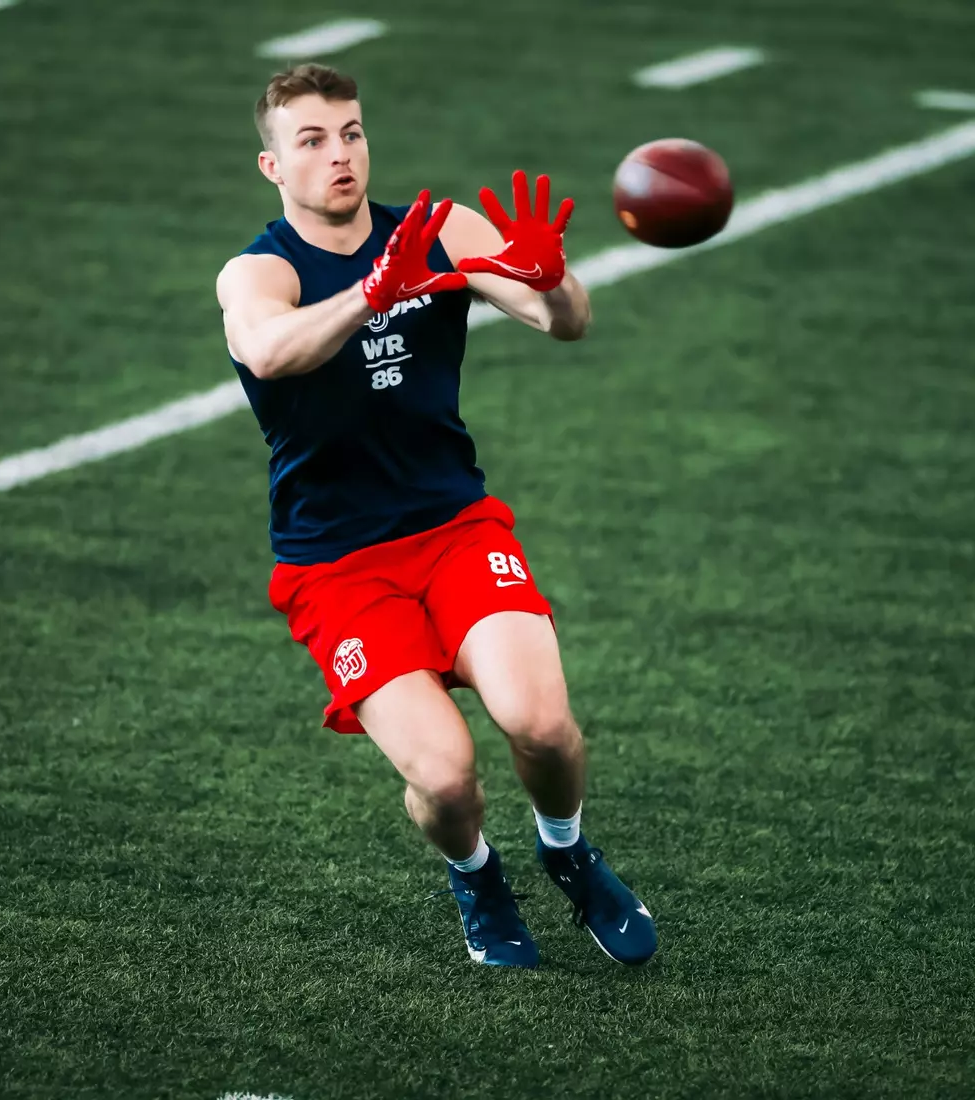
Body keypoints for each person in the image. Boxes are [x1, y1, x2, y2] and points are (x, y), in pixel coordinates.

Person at [215, 63, 656, 969]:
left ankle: (568, 853)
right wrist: (373, 293)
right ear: (273, 167)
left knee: (539, 725)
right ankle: (476, 874)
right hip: (337, 566)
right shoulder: (258, 273)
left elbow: (562, 321)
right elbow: (267, 350)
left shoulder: (441, 229)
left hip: (455, 527)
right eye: (312, 140)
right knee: (447, 777)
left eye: (351, 132)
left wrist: (557, 278)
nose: (340, 154)